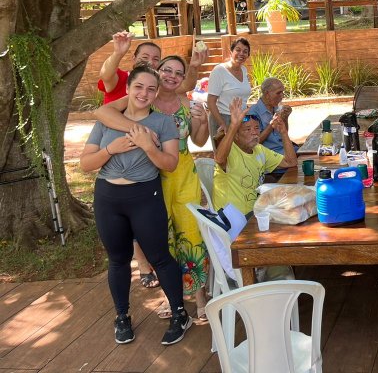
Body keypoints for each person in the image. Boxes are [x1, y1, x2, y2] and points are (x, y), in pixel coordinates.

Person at [80, 65, 192, 346]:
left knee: (160, 256)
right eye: (139, 86)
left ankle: (180, 313)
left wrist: (148, 146)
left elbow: (170, 164)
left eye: (151, 89)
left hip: (145, 196)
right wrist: (110, 150)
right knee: (117, 259)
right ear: (127, 89)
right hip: (108, 198)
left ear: (156, 94)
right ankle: (122, 316)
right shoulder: (106, 122)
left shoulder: (164, 123)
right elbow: (85, 165)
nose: (144, 93)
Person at [96, 56, 212, 321]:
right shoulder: (143, 101)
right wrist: (143, 132)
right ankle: (173, 297)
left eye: (178, 73)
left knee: (191, 235)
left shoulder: (188, 103)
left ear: (184, 79)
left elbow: (198, 139)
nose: (171, 76)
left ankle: (199, 295)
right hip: (151, 177)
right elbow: (102, 113)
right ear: (157, 73)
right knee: (162, 240)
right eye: (166, 70)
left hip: (182, 175)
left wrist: (203, 122)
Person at [214, 97, 297, 215]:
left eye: (257, 128)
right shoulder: (230, 151)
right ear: (236, 136)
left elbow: (291, 162)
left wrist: (283, 132)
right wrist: (233, 125)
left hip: (255, 212)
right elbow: (219, 159)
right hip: (234, 218)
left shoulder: (259, 149)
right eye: (247, 129)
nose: (254, 132)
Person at [207, 38, 252, 143]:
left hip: (241, 119)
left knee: (241, 155)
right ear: (231, 52)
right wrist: (222, 123)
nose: (241, 53)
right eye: (238, 50)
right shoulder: (219, 71)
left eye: (245, 51)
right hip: (223, 118)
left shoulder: (244, 70)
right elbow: (211, 102)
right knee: (224, 156)